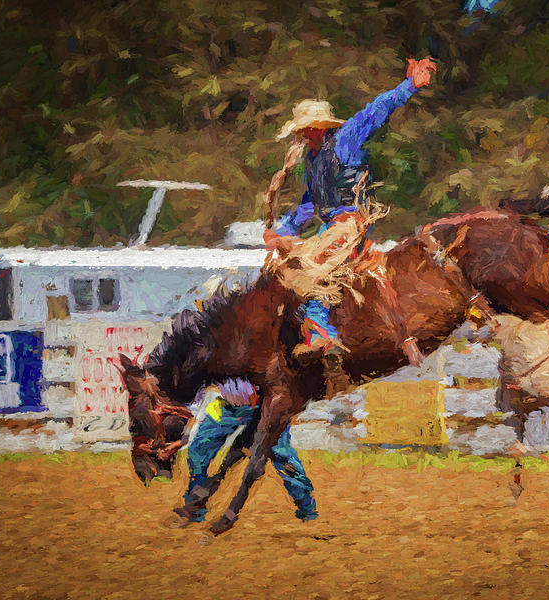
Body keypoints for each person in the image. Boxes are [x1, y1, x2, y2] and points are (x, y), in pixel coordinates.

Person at [263, 57, 437, 357]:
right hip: (328, 225)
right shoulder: (313, 159)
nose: (301, 136)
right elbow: (309, 203)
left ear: (317, 128)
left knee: (314, 266)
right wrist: (284, 230)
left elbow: (376, 111)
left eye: (304, 130)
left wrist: (409, 86)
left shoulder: (344, 139)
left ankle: (322, 330)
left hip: (348, 223)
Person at [175, 378, 317, 523]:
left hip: (264, 407)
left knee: (281, 454)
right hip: (226, 405)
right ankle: (195, 506)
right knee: (199, 449)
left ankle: (306, 507)